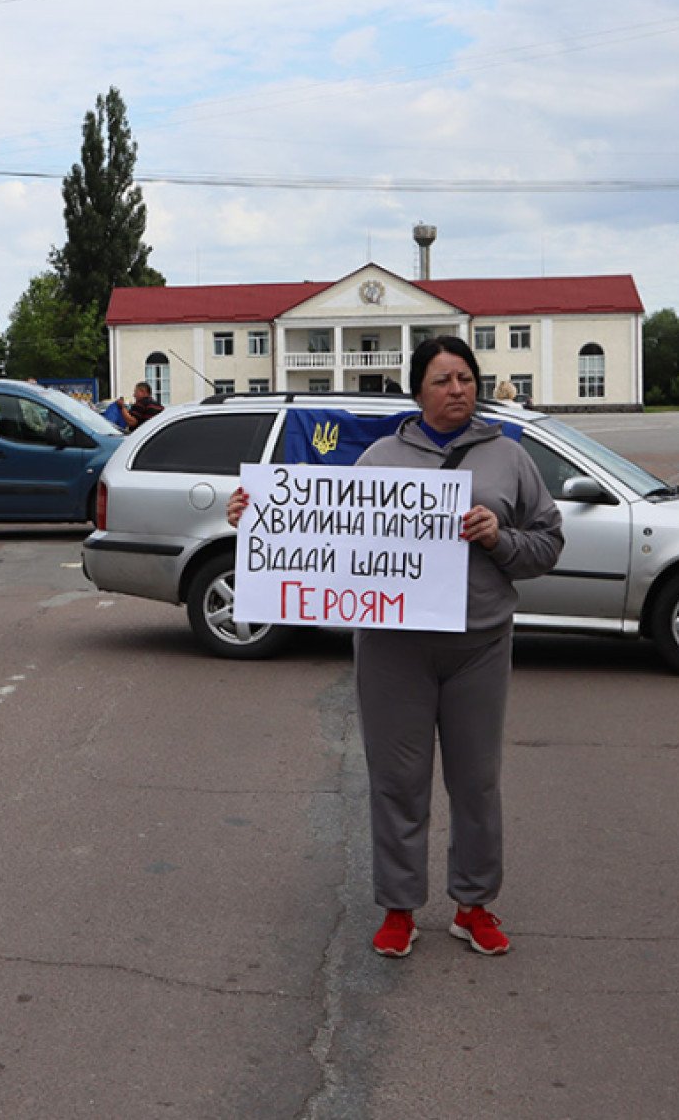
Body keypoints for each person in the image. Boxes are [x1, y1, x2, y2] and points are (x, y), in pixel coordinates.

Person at [227, 335, 562, 957]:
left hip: (479, 645)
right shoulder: (379, 459)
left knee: (477, 782)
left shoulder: (509, 459)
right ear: (417, 392)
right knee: (397, 781)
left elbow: (548, 546)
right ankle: (399, 908)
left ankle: (473, 905)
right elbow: (328, 539)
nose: (458, 389)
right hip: (393, 649)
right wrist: (258, 519)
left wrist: (499, 538)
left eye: (466, 377)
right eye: (443, 380)